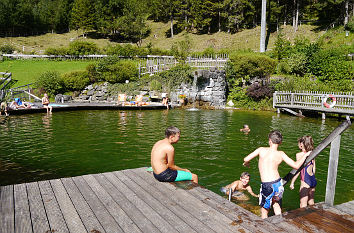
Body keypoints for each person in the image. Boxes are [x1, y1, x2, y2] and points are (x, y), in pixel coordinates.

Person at [243, 130, 309, 219]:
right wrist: (305, 155)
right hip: (278, 184)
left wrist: (247, 162)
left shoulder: (261, 150)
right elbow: (296, 165)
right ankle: (280, 224)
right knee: (276, 205)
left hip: (267, 185)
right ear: (280, 142)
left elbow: (246, 158)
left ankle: (264, 228)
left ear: (269, 140)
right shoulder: (281, 154)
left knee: (264, 210)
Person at [290, 136, 316, 208]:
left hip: (305, 181)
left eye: (298, 143)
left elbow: (297, 170)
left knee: (303, 204)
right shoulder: (313, 153)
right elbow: (314, 168)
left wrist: (292, 182)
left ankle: (303, 219)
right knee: (311, 202)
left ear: (301, 144)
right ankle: (313, 216)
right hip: (312, 180)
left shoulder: (299, 155)